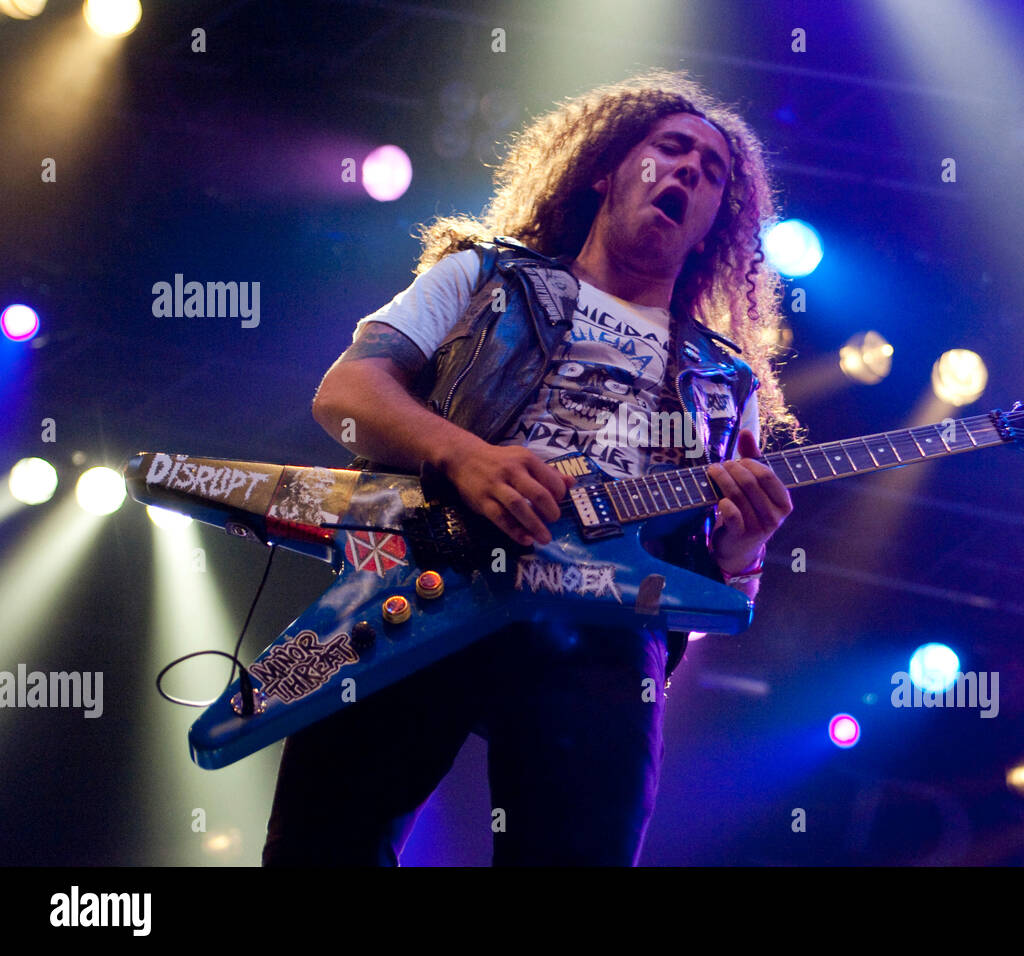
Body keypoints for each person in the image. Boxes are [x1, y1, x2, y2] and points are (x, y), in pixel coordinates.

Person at [261, 71, 799, 866]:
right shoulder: (485, 277)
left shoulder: (726, 384)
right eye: (671, 150)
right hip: (428, 572)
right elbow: (345, 393)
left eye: (711, 171)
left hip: (603, 635)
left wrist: (741, 551)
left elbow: (707, 601)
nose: (688, 171)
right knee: (322, 846)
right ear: (606, 170)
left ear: (717, 220)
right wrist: (465, 458)